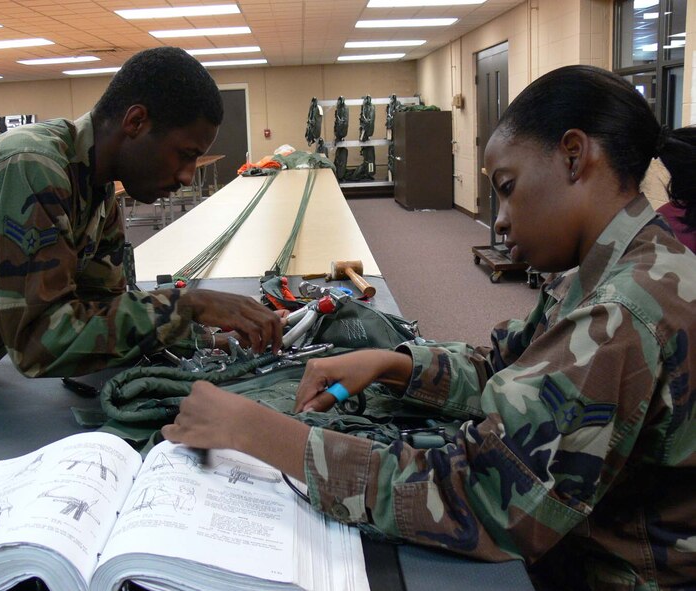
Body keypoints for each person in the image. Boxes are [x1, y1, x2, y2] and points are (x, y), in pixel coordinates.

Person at [162, 65, 696, 589]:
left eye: (508, 188)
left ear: (575, 157)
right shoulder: (621, 266)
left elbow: (480, 501)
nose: (501, 218)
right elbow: (508, 368)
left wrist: (257, 432)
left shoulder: (625, 311)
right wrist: (394, 363)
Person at [0, 47, 282, 408]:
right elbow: (40, 342)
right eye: (185, 155)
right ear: (135, 122)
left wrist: (206, 337)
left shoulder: (95, 189)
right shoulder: (31, 165)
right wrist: (189, 305)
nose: (187, 176)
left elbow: (103, 310)